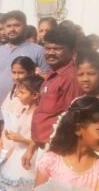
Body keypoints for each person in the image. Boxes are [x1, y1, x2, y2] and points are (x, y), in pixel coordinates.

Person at [0, 10, 49, 139]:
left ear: (25, 27)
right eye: (8, 26)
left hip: (22, 117)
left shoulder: (38, 51)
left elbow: (44, 83)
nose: (12, 29)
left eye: (17, 25)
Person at [0, 58, 40, 191]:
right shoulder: (15, 95)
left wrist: (20, 140)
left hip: (25, 152)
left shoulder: (35, 110)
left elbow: (36, 136)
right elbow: (8, 121)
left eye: (21, 72)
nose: (17, 76)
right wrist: (1, 141)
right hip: (11, 145)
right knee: (9, 188)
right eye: (14, 72)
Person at [24, 25, 82, 167]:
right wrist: (31, 147)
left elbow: (72, 119)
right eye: (48, 48)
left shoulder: (71, 78)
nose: (50, 53)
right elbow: (43, 115)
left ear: (72, 52)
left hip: (58, 150)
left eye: (57, 49)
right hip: (44, 147)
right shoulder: (52, 75)